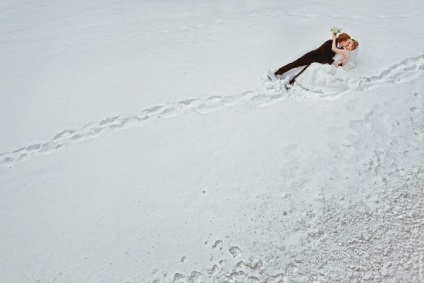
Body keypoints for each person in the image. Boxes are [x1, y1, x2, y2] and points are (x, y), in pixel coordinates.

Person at [267, 33, 352, 82]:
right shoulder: (330, 43)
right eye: (347, 43)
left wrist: (340, 63)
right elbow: (324, 56)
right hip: (312, 56)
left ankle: (290, 83)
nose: (347, 45)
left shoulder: (339, 48)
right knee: (295, 64)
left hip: (318, 63)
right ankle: (277, 73)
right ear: (342, 41)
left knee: (304, 72)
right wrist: (333, 62)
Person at [294, 36, 360, 95]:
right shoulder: (344, 50)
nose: (348, 44)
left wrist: (334, 38)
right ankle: (307, 83)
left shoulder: (346, 52)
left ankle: (309, 84)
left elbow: (334, 49)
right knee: (314, 66)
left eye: (350, 44)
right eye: (348, 42)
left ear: (352, 48)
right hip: (331, 65)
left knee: (316, 68)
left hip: (332, 67)